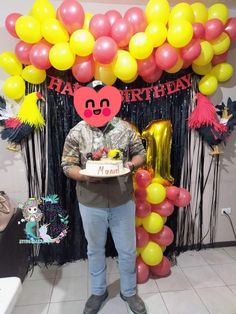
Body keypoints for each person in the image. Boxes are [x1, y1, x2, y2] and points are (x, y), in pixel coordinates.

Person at [61, 83, 147, 314]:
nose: (98, 106)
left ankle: (129, 292)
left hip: (122, 200)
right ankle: (98, 291)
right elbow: (67, 164)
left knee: (127, 250)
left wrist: (130, 163)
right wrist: (86, 176)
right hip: (90, 202)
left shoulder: (125, 128)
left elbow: (141, 153)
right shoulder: (77, 131)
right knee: (95, 249)